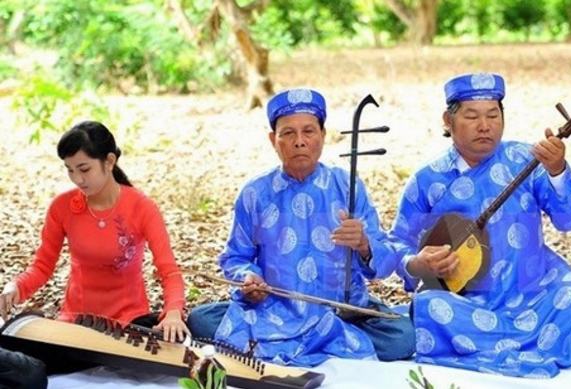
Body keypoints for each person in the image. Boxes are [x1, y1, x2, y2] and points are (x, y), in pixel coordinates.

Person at [186, 88, 415, 366]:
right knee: (200, 319)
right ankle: (327, 342)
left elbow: (384, 261)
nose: (299, 142)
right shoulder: (255, 193)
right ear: (274, 140)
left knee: (403, 337)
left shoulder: (347, 185)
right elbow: (236, 257)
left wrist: (365, 245)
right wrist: (249, 277)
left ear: (322, 136)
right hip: (276, 308)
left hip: (341, 310)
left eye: (308, 131)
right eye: (288, 133)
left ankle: (296, 339)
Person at [390, 73, 571, 378]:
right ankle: (549, 341)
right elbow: (398, 242)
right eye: (472, 116)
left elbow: (570, 221)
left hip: (532, 290)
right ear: (448, 120)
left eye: (493, 115)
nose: (485, 126)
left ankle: (487, 344)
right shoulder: (428, 179)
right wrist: (416, 262)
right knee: (427, 306)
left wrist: (557, 171)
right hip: (467, 300)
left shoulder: (527, 159)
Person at [0, 121, 189, 374]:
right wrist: (17, 287)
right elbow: (42, 266)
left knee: (176, 342)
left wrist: (173, 312)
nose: (77, 179)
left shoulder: (142, 207)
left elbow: (169, 272)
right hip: (76, 325)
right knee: (26, 364)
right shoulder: (62, 207)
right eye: (69, 170)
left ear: (109, 162)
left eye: (84, 169)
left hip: (129, 322)